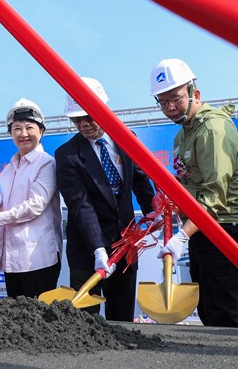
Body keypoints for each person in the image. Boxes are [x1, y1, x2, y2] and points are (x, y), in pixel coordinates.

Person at [151, 59, 238, 328]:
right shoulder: (183, 135)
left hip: (228, 225)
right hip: (205, 228)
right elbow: (188, 185)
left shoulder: (212, 129)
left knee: (221, 312)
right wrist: (166, 209)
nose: (169, 107)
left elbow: (215, 194)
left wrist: (182, 236)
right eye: (162, 102)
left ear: (194, 94)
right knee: (209, 311)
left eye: (175, 98)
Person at [54, 77, 155, 320]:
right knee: (87, 319)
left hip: (126, 242)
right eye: (76, 119)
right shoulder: (68, 155)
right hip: (88, 247)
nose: (84, 124)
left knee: (121, 315)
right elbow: (80, 204)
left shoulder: (126, 138)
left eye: (89, 116)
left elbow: (140, 179)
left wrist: (151, 210)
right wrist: (99, 249)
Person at [0, 99, 62, 298]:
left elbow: (34, 206)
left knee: (41, 318)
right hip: (12, 260)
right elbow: (11, 209)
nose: (23, 134)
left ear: (41, 132)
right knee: (17, 319)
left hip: (37, 258)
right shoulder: (7, 171)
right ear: (10, 133)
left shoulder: (46, 164)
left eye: (29, 127)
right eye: (17, 128)